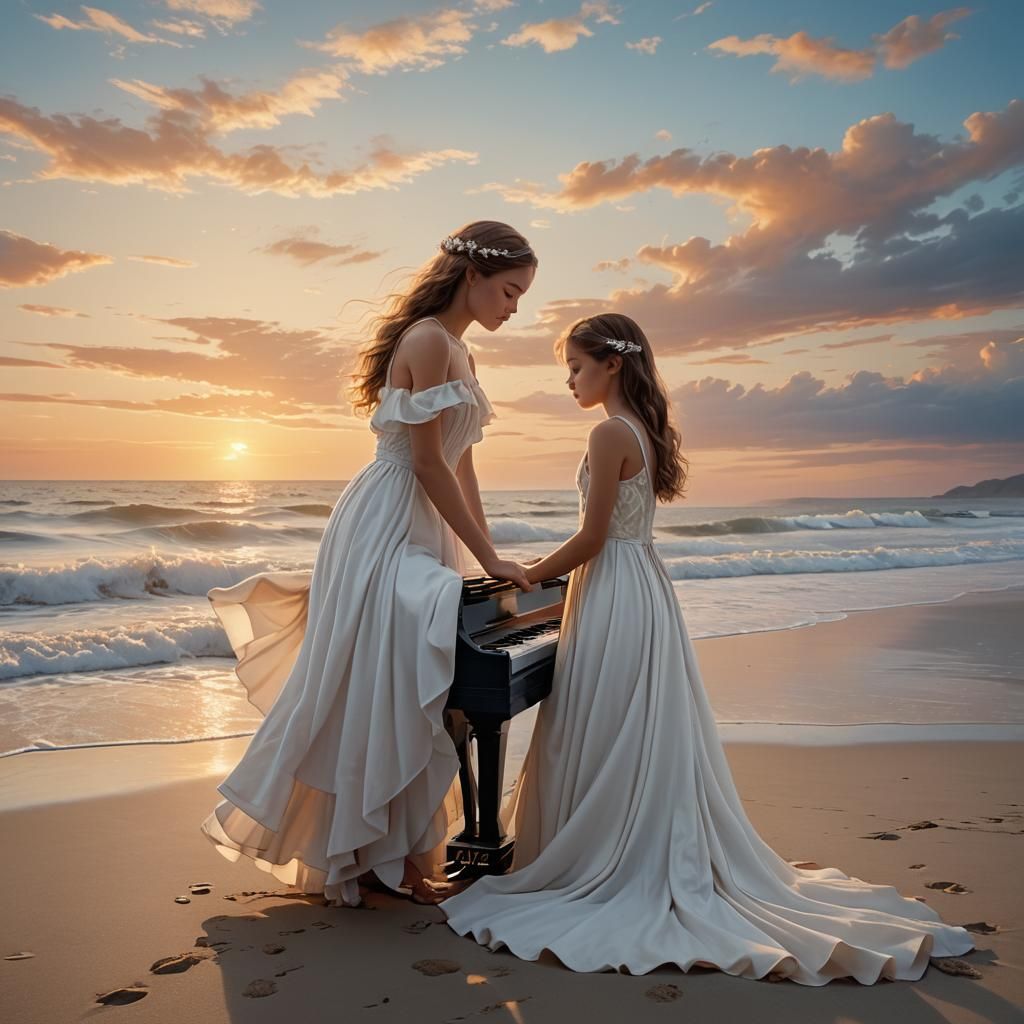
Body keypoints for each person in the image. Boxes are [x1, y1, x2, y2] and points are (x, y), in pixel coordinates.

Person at [442, 312, 975, 984]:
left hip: (615, 590)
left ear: (611, 364)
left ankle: (606, 855)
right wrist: (555, 590)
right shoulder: (642, 430)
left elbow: (594, 538)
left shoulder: (609, 432)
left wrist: (526, 572)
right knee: (631, 727)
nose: (570, 380)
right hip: (640, 589)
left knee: (605, 722)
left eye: (575, 366)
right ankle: (624, 840)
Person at [200, 221, 536, 907]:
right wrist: (487, 552)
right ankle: (389, 864)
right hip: (386, 520)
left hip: (423, 522)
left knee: (400, 679)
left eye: (521, 296)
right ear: (471, 276)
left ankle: (402, 862)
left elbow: (463, 463)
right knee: (387, 678)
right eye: (509, 291)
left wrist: (486, 555)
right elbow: (424, 462)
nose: (514, 308)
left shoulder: (463, 355)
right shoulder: (428, 341)